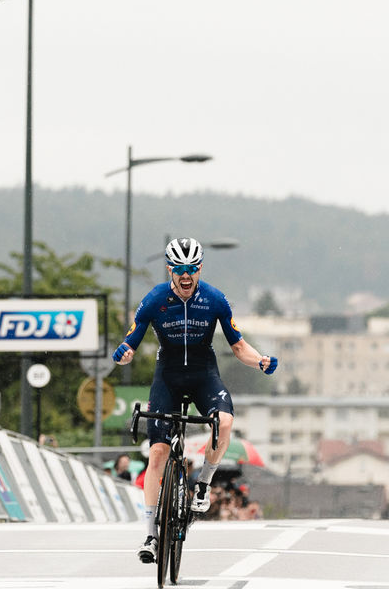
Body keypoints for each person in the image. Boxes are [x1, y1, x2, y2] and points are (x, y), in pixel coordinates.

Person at [112, 237, 278, 563]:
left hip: (204, 376)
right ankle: (150, 533)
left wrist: (259, 360)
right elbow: (130, 342)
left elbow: (238, 346)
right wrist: (124, 354)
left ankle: (203, 483)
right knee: (157, 453)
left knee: (225, 421)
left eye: (192, 269)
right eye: (179, 270)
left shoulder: (215, 299)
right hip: (168, 380)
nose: (186, 276)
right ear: (171, 270)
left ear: (199, 268)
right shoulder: (155, 299)